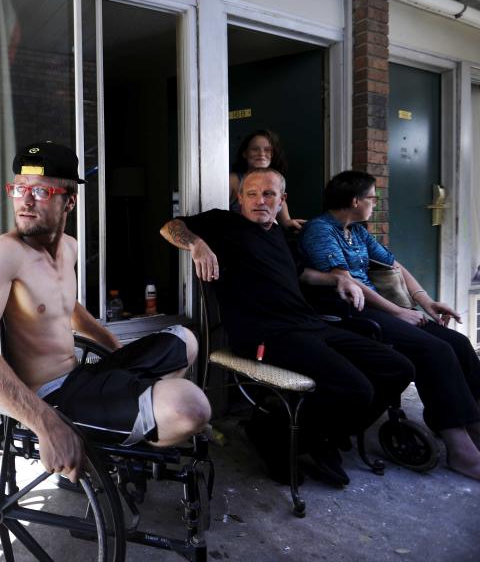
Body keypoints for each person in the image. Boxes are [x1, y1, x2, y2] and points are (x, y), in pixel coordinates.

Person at [0, 141, 211, 483]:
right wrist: (45, 423)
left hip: (81, 376)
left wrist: (118, 352)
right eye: (19, 189)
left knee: (183, 339)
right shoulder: (3, 255)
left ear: (68, 201)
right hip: (52, 397)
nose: (25, 201)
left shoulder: (68, 248)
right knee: (191, 407)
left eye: (40, 191)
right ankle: (128, 433)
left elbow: (66, 307)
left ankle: (127, 422)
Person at [160, 167, 414, 486]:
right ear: (240, 198)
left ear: (282, 200)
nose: (259, 201)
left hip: (308, 325)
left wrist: (339, 277)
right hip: (265, 333)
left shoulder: (279, 235)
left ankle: (311, 436)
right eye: (251, 194)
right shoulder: (223, 224)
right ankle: (279, 438)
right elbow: (170, 227)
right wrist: (197, 244)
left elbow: (302, 275)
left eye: (268, 194)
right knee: (356, 388)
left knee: (398, 368)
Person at [300, 170, 480, 481]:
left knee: (458, 343)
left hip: (379, 307)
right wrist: (398, 312)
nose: (374, 203)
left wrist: (425, 302)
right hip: (350, 311)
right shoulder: (320, 230)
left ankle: (473, 421)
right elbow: (348, 282)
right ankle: (460, 449)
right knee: (434, 350)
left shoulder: (356, 230)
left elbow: (394, 265)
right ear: (355, 201)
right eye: (372, 197)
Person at [229, 129, 305, 231]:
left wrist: (288, 222)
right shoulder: (233, 180)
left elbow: (284, 216)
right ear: (245, 153)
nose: (261, 153)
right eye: (255, 149)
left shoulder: (275, 181)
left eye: (267, 150)